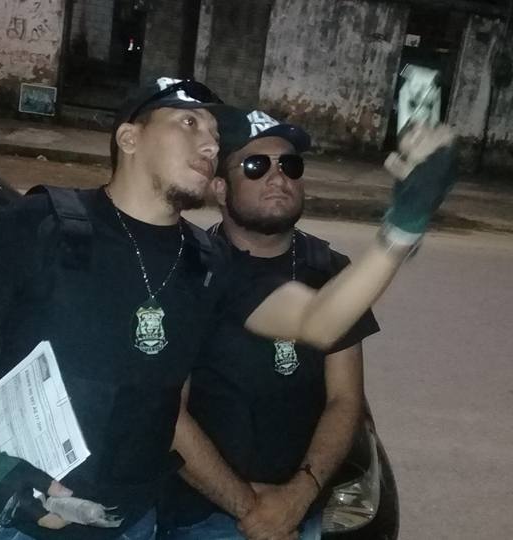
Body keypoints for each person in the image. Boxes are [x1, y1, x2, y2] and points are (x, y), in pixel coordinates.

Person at [0, 77, 456, 540]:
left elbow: (320, 320)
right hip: (20, 515)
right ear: (130, 137)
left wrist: (403, 226)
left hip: (135, 522)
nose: (209, 142)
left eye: (214, 133)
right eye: (188, 123)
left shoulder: (208, 261)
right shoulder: (41, 224)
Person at [159, 110, 379, 540]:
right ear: (220, 188)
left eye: (289, 165)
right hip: (200, 515)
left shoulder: (332, 272)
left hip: (300, 515)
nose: (278, 177)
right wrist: (252, 510)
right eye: (256, 165)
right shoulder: (185, 270)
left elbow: (345, 399)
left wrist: (298, 496)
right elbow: (167, 413)